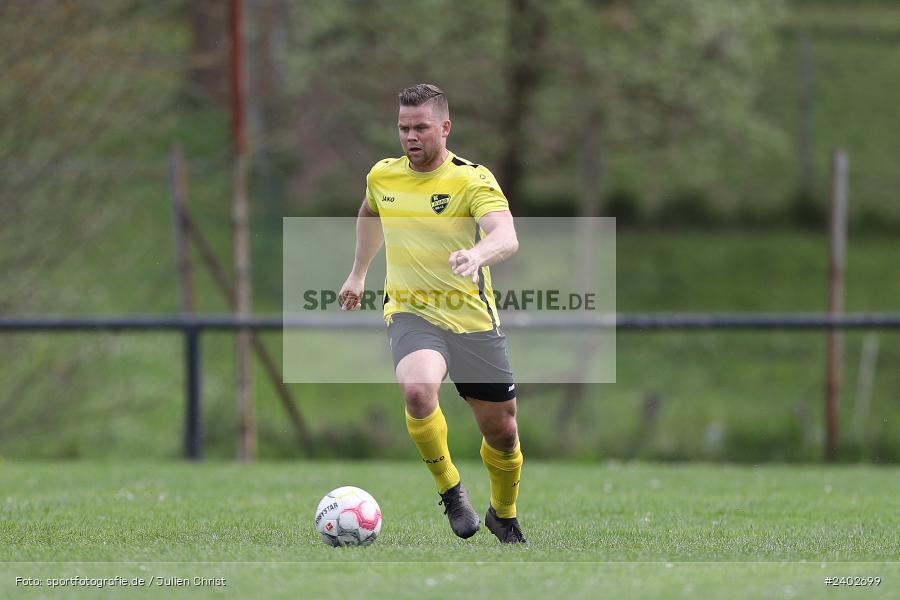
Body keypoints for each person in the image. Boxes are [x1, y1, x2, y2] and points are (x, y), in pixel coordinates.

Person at [338, 83, 526, 544]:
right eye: (403, 128)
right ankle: (451, 492)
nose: (410, 136)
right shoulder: (383, 175)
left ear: (445, 127)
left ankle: (503, 513)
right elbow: (370, 212)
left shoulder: (471, 179)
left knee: (502, 432)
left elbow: (506, 234)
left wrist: (479, 254)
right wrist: (359, 272)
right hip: (410, 311)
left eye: (420, 127)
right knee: (419, 392)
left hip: (471, 320)